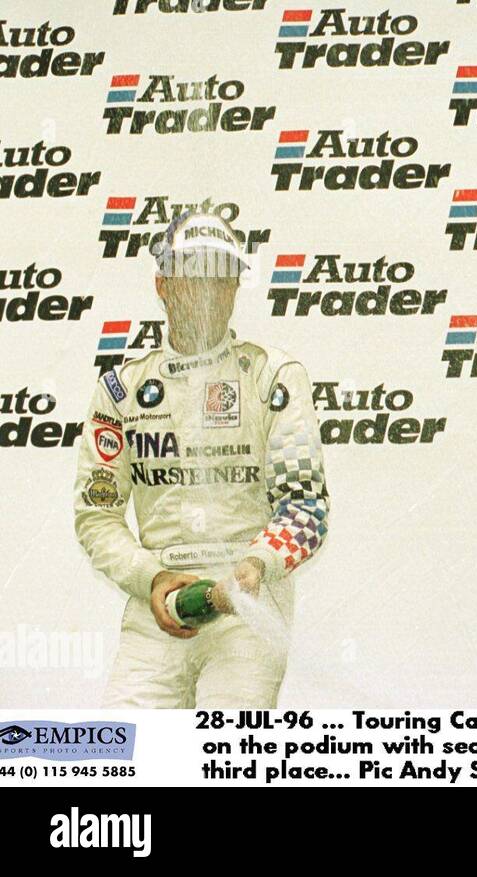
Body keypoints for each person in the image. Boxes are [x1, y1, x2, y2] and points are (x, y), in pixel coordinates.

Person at [74, 210, 329, 708]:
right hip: (157, 605)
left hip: (247, 599)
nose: (206, 292)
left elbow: (306, 507)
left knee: (224, 763)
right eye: (192, 276)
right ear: (163, 284)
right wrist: (150, 578)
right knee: (123, 759)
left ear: (235, 287)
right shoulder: (120, 390)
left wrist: (257, 563)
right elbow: (96, 514)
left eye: (220, 278)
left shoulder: (272, 376)